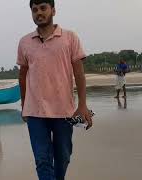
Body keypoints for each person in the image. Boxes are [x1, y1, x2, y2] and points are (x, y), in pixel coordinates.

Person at [17, 1, 92, 180]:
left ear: (53, 10)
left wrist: (82, 105)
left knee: (63, 157)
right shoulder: (25, 42)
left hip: (64, 111)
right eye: (34, 10)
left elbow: (79, 74)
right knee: (42, 160)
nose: (38, 13)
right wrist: (24, 105)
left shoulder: (69, 37)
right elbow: (22, 76)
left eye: (43, 8)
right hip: (35, 112)